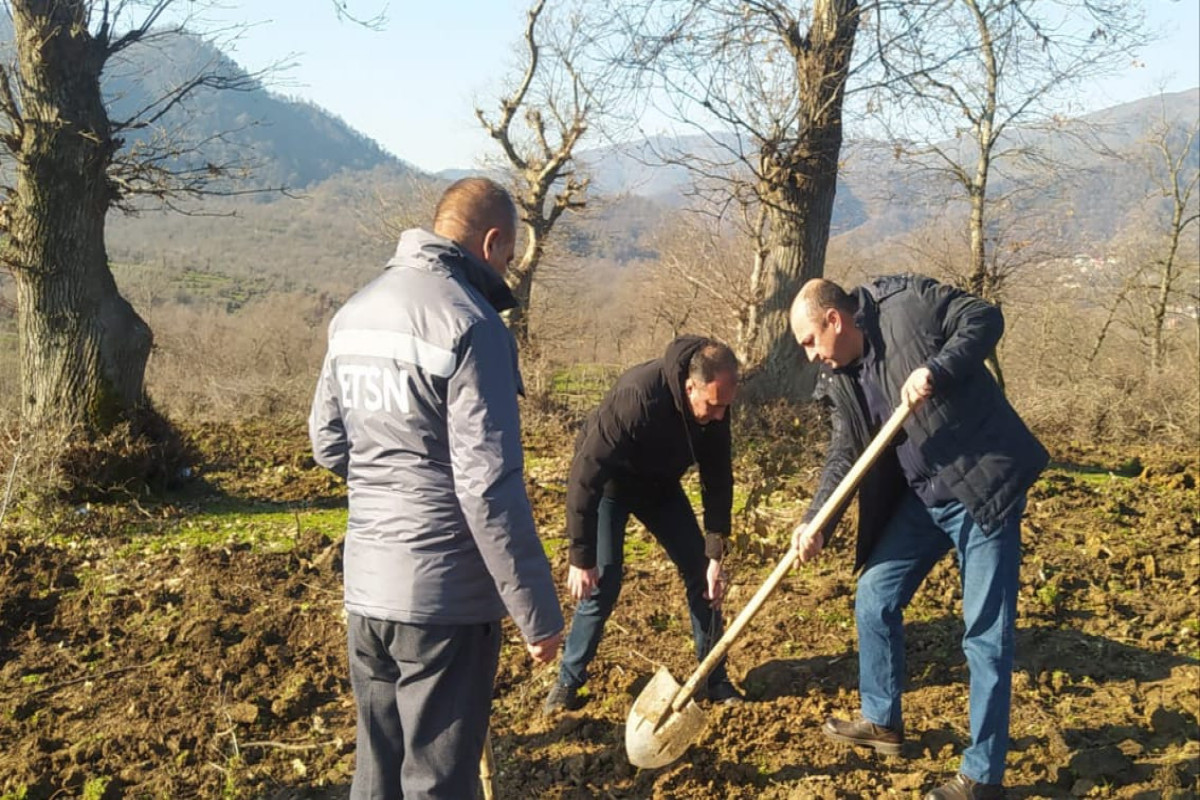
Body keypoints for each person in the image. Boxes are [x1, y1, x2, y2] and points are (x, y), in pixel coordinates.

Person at [309, 177, 564, 800]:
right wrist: (536, 612)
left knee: (377, 776)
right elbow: (486, 485)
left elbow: (327, 442)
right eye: (506, 259)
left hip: (367, 593)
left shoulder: (354, 314)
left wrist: (389, 492)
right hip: (446, 602)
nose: (505, 271)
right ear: (493, 241)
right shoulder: (471, 324)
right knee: (437, 784)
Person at [788, 275, 1047, 800]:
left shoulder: (906, 306)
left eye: (810, 341)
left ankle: (982, 777)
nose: (811, 355)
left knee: (985, 636)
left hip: (980, 485)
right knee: (874, 597)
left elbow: (983, 318)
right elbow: (846, 454)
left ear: (834, 320)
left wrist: (936, 368)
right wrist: (817, 520)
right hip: (923, 497)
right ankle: (882, 720)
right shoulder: (840, 377)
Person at [543, 336, 744, 714]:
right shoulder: (637, 397)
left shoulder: (718, 404)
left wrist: (716, 550)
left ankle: (714, 679)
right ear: (690, 387)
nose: (719, 416)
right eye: (712, 406)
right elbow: (585, 474)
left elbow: (718, 478)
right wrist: (580, 556)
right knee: (603, 579)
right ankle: (568, 682)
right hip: (610, 487)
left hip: (659, 487)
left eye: (725, 408)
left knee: (703, 575)